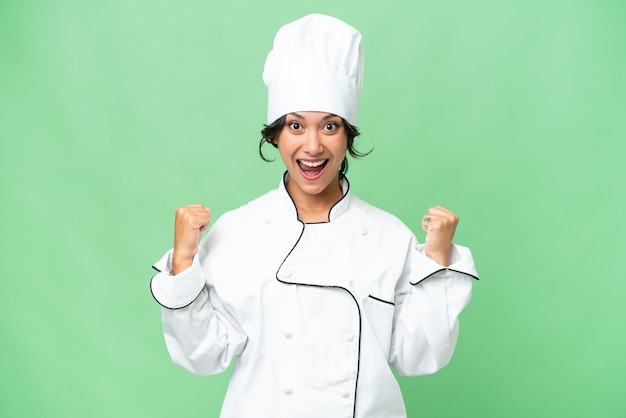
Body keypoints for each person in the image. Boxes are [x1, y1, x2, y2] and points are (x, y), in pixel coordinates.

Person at [150, 13, 478, 418]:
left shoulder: (386, 236)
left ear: (347, 136)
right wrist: (183, 264)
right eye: (294, 125)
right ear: (275, 135)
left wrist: (437, 261)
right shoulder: (239, 231)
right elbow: (203, 356)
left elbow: (418, 357)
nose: (312, 146)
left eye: (329, 126)